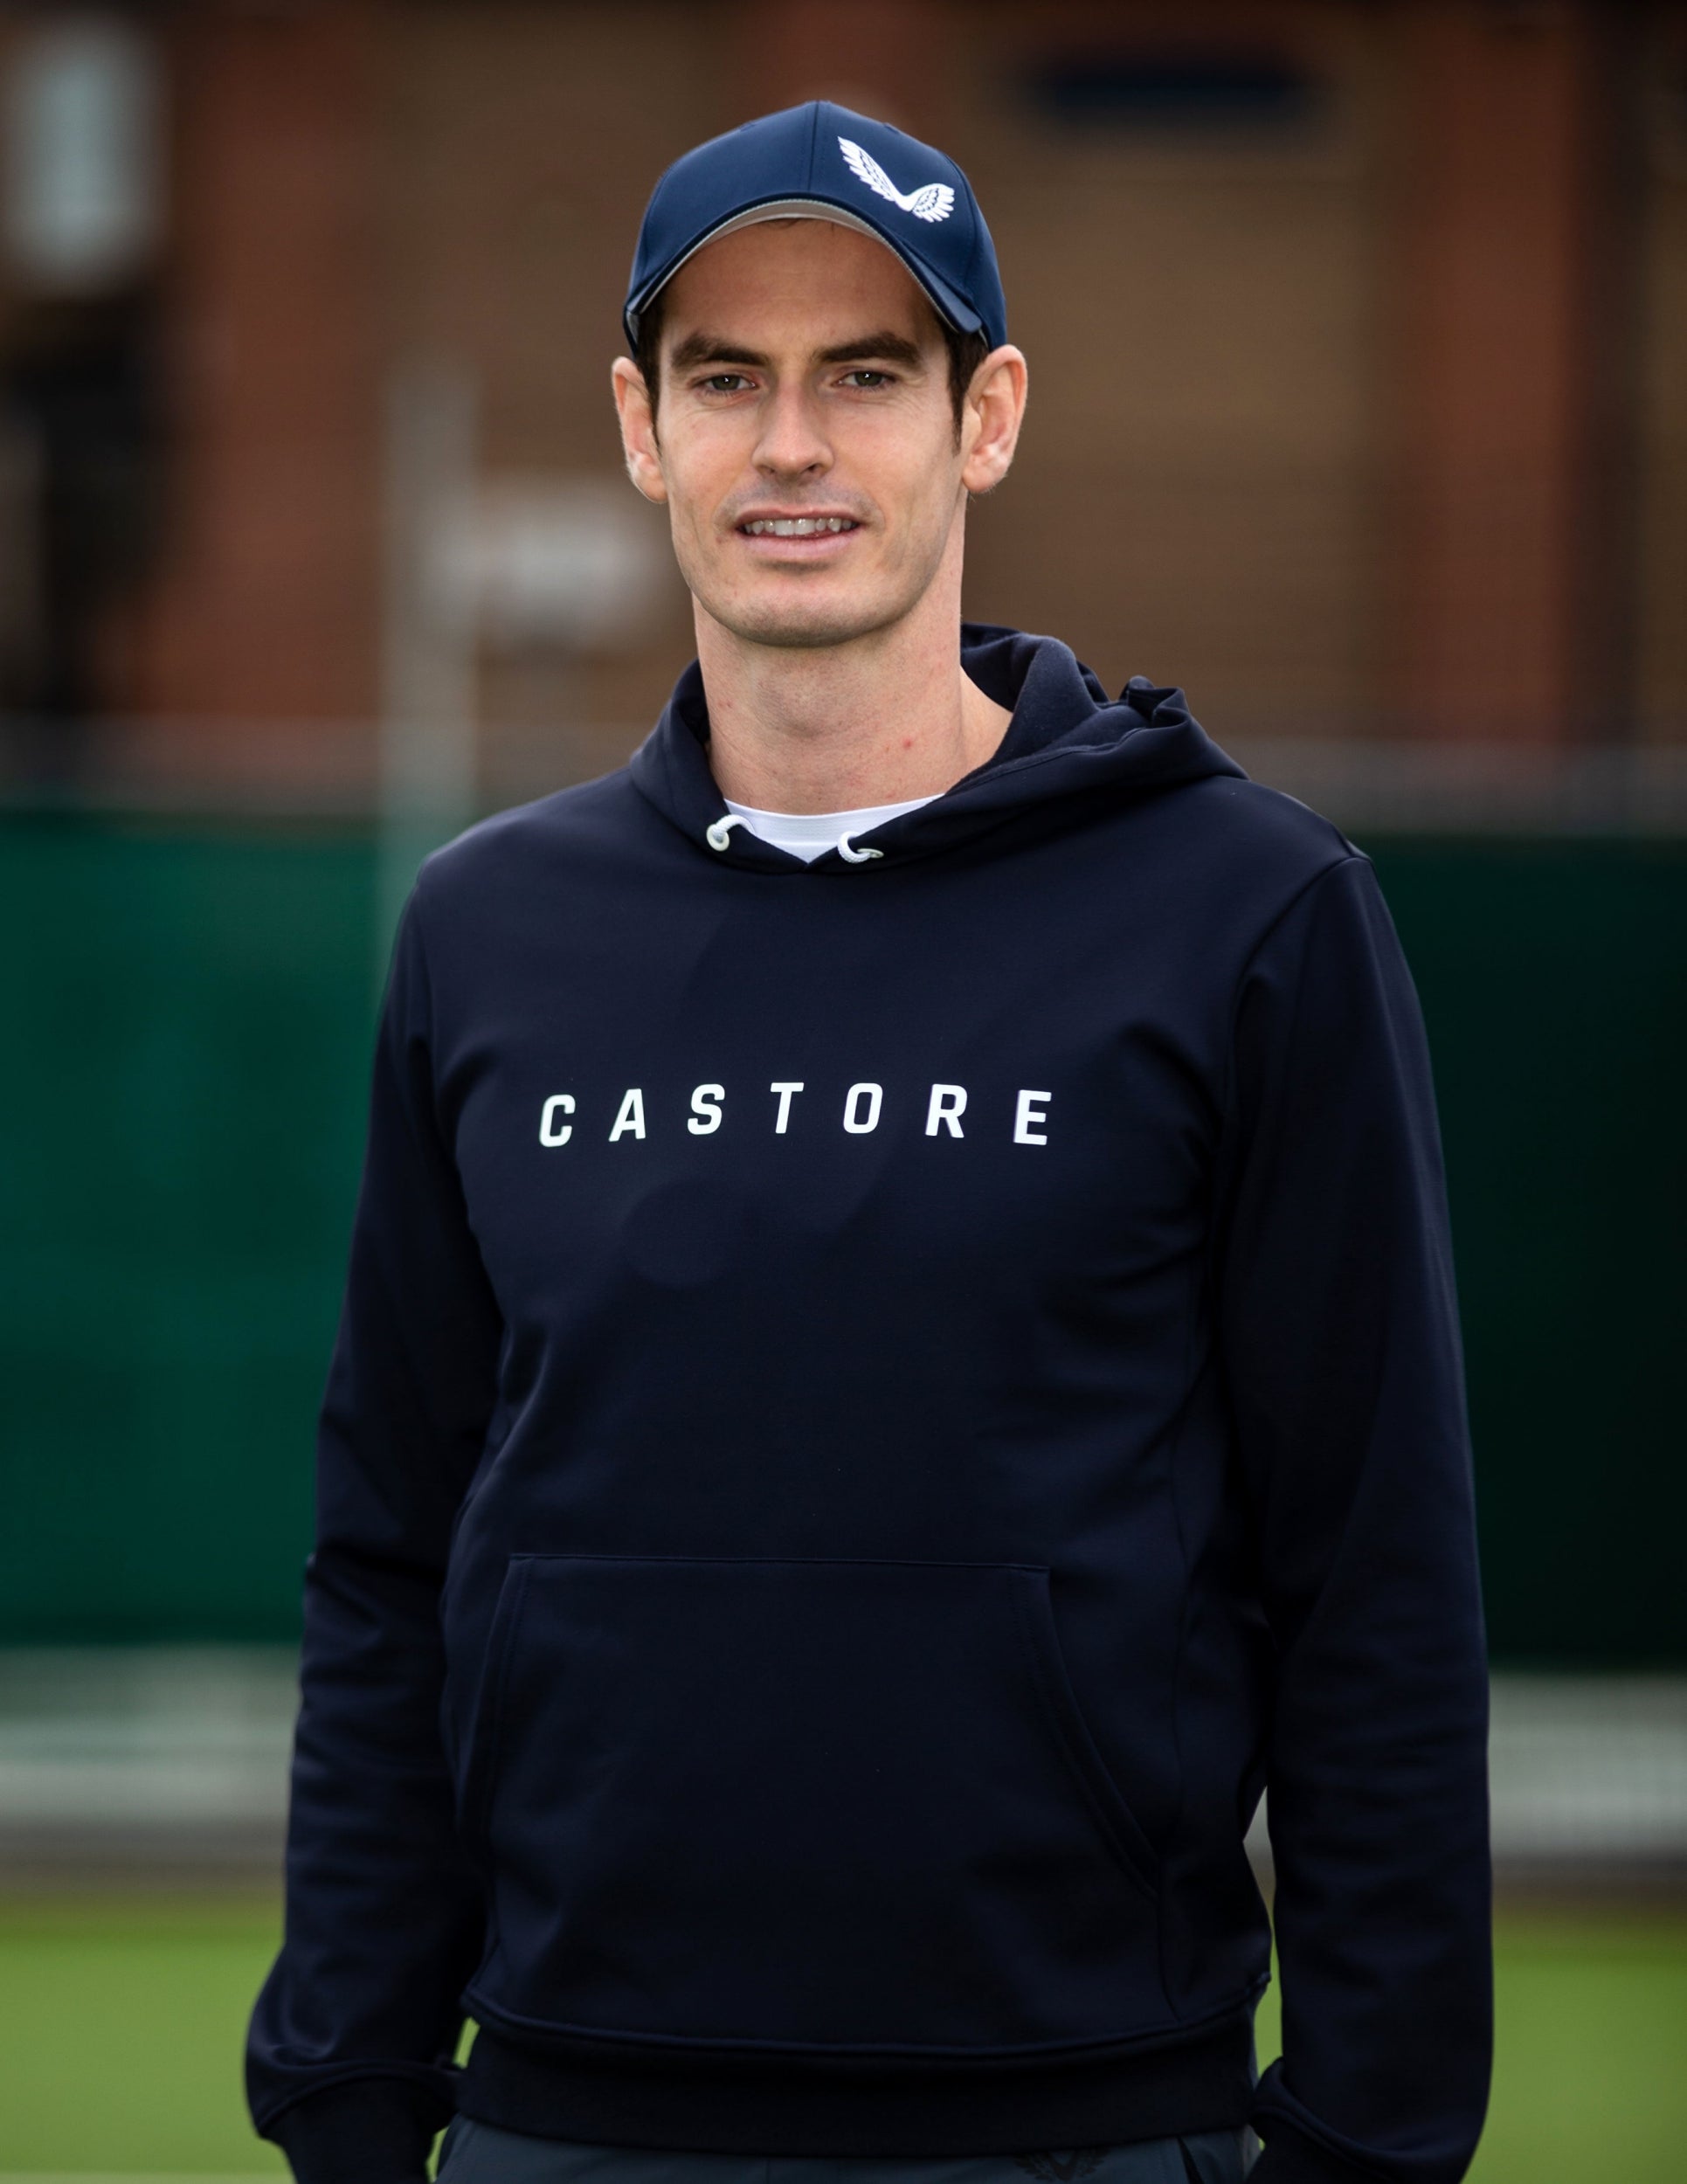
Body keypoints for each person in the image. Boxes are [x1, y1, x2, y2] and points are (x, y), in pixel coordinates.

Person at [248, 101, 1490, 2184]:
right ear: (641, 430)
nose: (792, 446)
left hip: (1081, 2117)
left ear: (985, 416)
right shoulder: (489, 930)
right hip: (568, 2114)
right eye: (726, 378)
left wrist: (1368, 2137)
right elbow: (395, 1549)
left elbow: (1378, 1574)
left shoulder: (1247, 915)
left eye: (868, 376)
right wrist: (358, 2086)